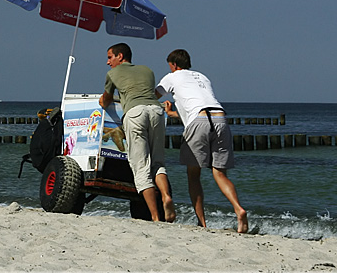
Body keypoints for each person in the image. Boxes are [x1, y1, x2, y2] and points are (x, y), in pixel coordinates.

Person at [156, 49, 248, 233]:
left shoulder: (172, 77)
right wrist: (172, 113)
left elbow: (153, 94)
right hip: (219, 118)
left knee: (193, 175)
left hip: (199, 120)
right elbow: (197, 110)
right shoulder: (202, 77)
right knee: (220, 174)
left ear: (174, 64)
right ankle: (239, 209)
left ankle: (202, 223)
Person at [99, 42, 175, 223]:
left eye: (110, 57)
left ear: (120, 56)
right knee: (157, 162)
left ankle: (155, 217)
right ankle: (166, 196)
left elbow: (105, 101)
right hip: (156, 112)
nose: (108, 62)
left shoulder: (112, 74)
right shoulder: (147, 70)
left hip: (135, 113)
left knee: (140, 167)